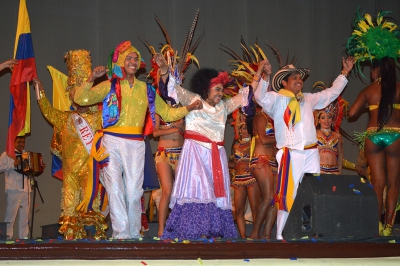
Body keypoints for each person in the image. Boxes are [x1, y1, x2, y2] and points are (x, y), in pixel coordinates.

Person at [73, 41, 202, 239]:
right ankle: (121, 234)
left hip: (135, 144)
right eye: (129, 58)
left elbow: (167, 112)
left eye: (135, 59)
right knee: (115, 188)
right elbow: (81, 99)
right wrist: (91, 78)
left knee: (134, 192)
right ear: (121, 62)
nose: (132, 61)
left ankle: (133, 233)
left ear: (139, 64)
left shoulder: (147, 89)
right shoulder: (109, 86)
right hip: (111, 142)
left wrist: (189, 108)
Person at [253, 57, 354, 240]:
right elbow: (260, 97)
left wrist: (344, 73)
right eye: (294, 78)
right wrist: (265, 76)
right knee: (288, 193)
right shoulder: (276, 99)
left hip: (311, 152)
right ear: (284, 82)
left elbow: (331, 93)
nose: (299, 80)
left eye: (300, 77)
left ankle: (309, 231)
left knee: (312, 190)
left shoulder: (308, 98)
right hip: (291, 153)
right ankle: (280, 234)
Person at [157, 60, 252, 239]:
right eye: (217, 89)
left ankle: (212, 232)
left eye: (221, 89)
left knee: (213, 193)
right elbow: (172, 89)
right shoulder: (194, 100)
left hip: (216, 155)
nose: (220, 93)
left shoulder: (223, 107)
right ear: (205, 88)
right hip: (196, 154)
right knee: (201, 190)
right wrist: (163, 71)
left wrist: (261, 75)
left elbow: (244, 97)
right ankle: (194, 231)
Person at [33, 50, 107, 240]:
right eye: (75, 92)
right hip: (70, 174)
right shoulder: (66, 118)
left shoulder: (98, 117)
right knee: (69, 210)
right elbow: (48, 111)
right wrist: (40, 90)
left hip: (90, 173)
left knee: (91, 209)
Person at [347, 10, 400, 236]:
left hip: (373, 136)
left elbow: (351, 114)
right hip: (396, 136)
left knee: (377, 183)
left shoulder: (369, 90)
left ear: (377, 70)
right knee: (394, 182)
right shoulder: (398, 89)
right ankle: (389, 225)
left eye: (372, 69)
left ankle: (375, 226)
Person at [247, 60, 279, 239]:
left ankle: (267, 235)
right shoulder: (260, 117)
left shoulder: (275, 119)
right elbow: (264, 139)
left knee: (275, 199)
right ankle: (254, 234)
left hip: (273, 162)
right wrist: (280, 139)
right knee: (267, 197)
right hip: (260, 160)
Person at [229, 111, 260, 238]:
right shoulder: (236, 146)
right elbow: (235, 165)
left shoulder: (255, 143)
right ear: (239, 130)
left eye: (248, 128)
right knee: (239, 210)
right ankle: (243, 238)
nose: (245, 131)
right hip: (238, 180)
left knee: (255, 209)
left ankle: (255, 235)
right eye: (243, 127)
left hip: (252, 179)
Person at [0, 136, 30, 239]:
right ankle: (7, 238)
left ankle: (24, 238)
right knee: (11, 214)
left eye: (23, 142)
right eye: (19, 142)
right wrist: (12, 165)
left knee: (25, 216)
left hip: (26, 189)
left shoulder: (27, 155)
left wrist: (38, 167)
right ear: (14, 142)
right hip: (13, 188)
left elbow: (30, 170)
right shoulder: (7, 154)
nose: (21, 144)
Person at [315, 101, 344, 174]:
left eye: (329, 117)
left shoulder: (337, 136)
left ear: (332, 119)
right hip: (319, 170)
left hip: (334, 171)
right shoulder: (314, 133)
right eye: (323, 118)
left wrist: (339, 170)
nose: (326, 120)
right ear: (319, 120)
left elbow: (340, 154)